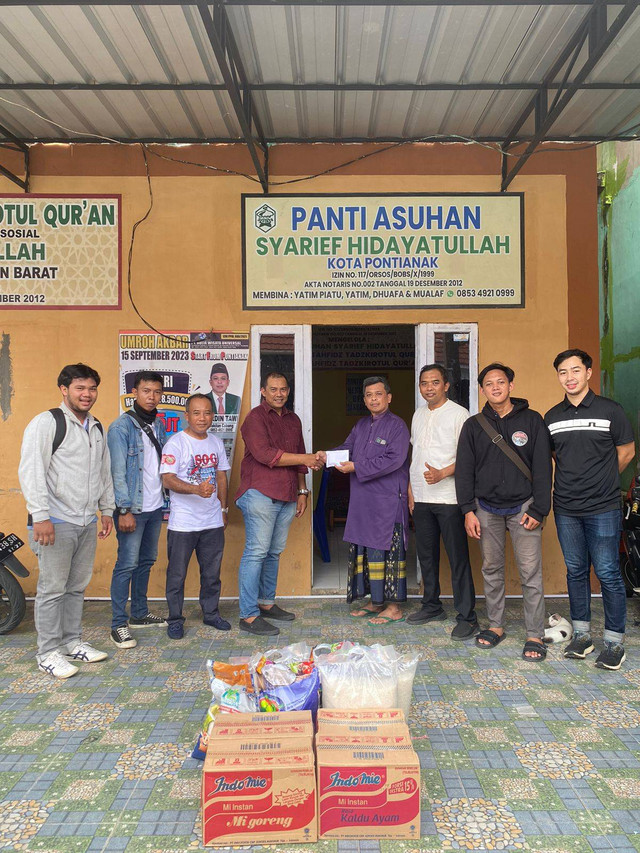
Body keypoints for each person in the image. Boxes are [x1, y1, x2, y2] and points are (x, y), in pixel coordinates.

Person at [18, 363, 115, 679]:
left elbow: (104, 473)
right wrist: (41, 516)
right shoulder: (47, 423)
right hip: (55, 521)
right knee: (52, 589)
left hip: (86, 521)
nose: (87, 394)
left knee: (76, 587)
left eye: (91, 388)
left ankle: (72, 642)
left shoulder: (96, 426)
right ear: (64, 390)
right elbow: (31, 470)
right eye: (79, 388)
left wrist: (106, 510)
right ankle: (47, 652)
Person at [545, 349, 635, 670]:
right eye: (562, 372)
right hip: (567, 507)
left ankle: (614, 642)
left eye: (575, 371)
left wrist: (604, 479)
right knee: (576, 571)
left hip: (603, 506)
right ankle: (582, 636)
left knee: (608, 572)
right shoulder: (552, 417)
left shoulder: (611, 410)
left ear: (588, 372)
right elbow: (557, 457)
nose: (569, 377)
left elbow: (626, 451)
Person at [455, 363, 552, 661]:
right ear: (482, 390)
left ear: (511, 385)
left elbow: (542, 467)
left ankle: (534, 633)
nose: (495, 387)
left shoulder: (533, 420)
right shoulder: (473, 425)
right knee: (492, 569)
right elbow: (464, 470)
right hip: (486, 508)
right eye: (488, 383)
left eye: (501, 382)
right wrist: (468, 510)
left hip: (524, 507)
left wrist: (539, 508)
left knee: (530, 572)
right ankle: (496, 626)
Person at [236, 372, 321, 636]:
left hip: (286, 495)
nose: (279, 394)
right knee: (256, 552)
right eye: (273, 389)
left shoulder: (293, 420)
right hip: (259, 492)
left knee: (273, 552)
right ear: (263, 391)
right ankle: (248, 615)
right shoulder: (255, 418)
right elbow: (265, 455)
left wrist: (303, 491)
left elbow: (299, 461)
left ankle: (266, 602)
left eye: (283, 389)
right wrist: (307, 458)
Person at [327, 376, 410, 626]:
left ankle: (394, 606)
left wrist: (356, 466)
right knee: (368, 550)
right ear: (364, 400)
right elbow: (347, 449)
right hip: (363, 501)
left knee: (390, 551)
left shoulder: (398, 426)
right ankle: (376, 602)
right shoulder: (361, 426)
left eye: (378, 394)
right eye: (369, 395)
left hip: (388, 500)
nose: (373, 399)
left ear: (389, 397)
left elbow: (394, 460)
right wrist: (327, 456)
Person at [407, 364, 477, 639]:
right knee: (427, 555)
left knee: (458, 558)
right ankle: (431, 605)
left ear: (446, 385)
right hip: (422, 498)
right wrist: (412, 490)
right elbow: (415, 455)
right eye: (424, 383)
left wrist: (443, 473)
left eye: (435, 382)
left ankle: (467, 615)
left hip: (449, 498)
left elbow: (471, 458)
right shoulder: (418, 414)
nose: (429, 387)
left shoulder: (460, 415)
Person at [160, 394, 231, 638]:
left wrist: (224, 509)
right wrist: (196, 489)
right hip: (183, 523)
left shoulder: (216, 443)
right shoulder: (176, 443)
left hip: (212, 521)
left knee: (211, 573)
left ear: (213, 415)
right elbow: (167, 479)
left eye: (207, 413)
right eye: (197, 413)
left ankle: (211, 614)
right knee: (177, 574)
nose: (202, 418)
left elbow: (221, 476)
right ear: (187, 416)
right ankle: (175, 620)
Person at [107, 371, 168, 650]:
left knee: (146, 561)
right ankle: (118, 623)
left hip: (155, 507)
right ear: (134, 392)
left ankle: (140, 614)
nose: (151, 397)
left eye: (156, 392)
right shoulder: (121, 428)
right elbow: (117, 473)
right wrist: (124, 510)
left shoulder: (158, 425)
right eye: (146, 391)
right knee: (126, 564)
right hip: (133, 508)